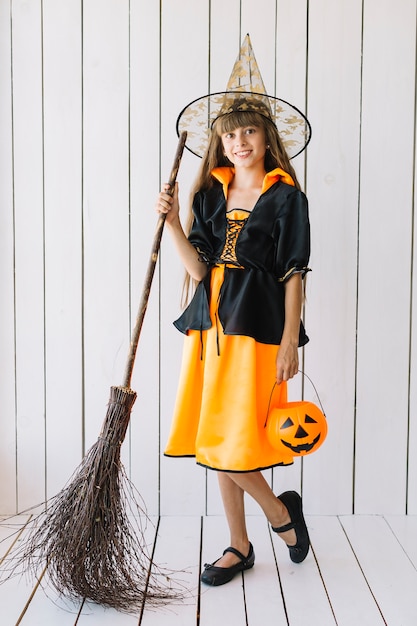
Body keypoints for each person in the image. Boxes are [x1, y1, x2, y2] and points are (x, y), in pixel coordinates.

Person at [155, 36, 311, 587]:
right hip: (211, 324)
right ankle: (240, 544)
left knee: (236, 436)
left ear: (267, 136)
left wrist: (291, 337)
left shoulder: (285, 195)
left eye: (249, 130)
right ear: (218, 141)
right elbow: (200, 270)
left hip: (260, 326)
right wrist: (173, 222)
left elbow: (294, 271)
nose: (239, 140)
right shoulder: (210, 193)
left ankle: (279, 516)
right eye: (230, 132)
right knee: (215, 434)